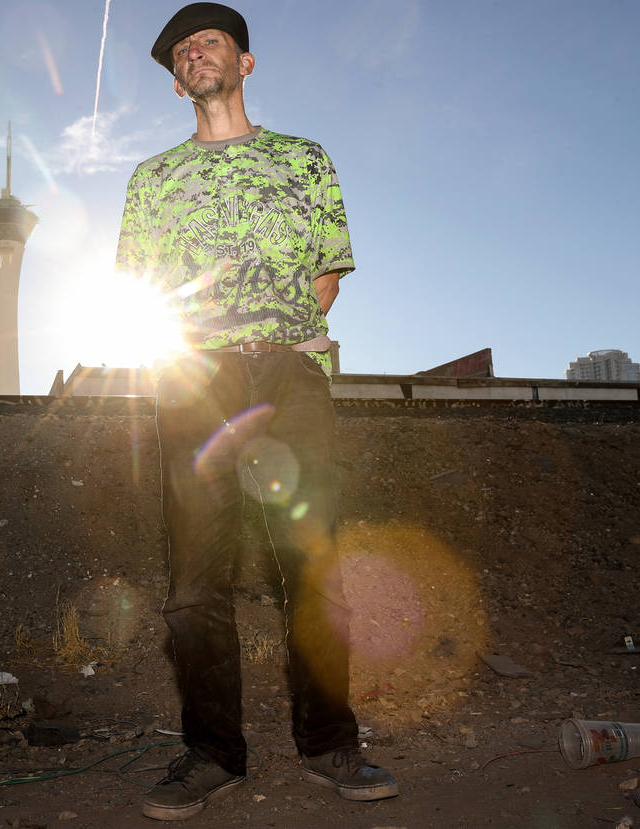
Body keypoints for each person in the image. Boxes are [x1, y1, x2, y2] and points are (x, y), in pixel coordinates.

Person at [115, 3, 398, 821]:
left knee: (312, 566)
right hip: (194, 377)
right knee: (193, 580)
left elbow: (326, 276)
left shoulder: (305, 160)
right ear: (176, 83)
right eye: (180, 51)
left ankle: (330, 742)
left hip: (288, 372)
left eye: (210, 41)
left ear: (244, 63)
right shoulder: (152, 179)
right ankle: (211, 754)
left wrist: (271, 346)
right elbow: (138, 288)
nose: (193, 53)